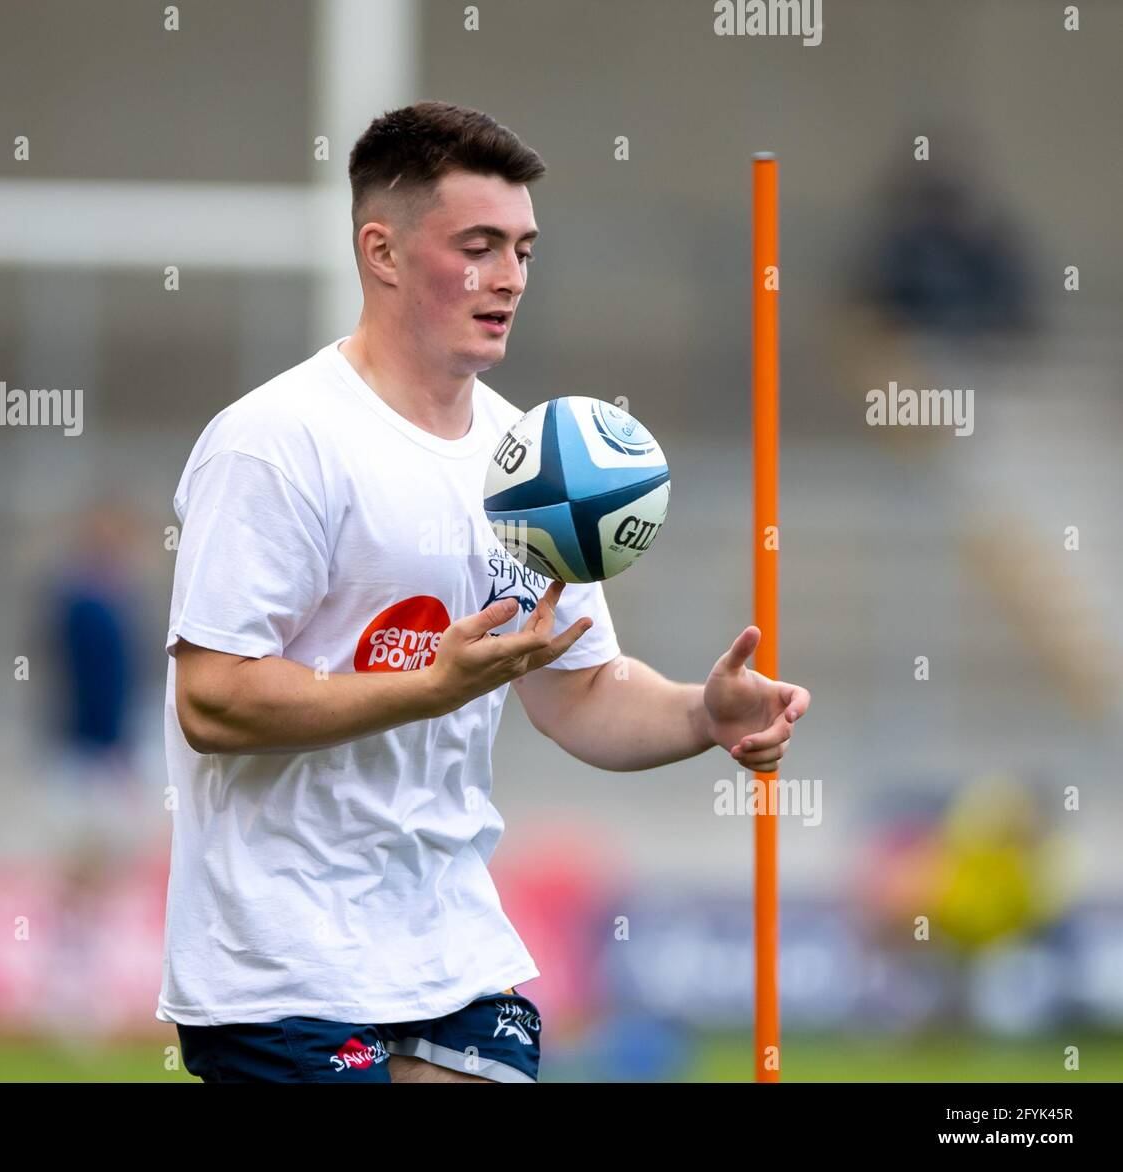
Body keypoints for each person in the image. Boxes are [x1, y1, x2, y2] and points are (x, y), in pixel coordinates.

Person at [156, 100, 811, 1084]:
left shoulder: (532, 459)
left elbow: (581, 693)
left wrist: (699, 713)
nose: (507, 276)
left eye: (523, 249)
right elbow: (211, 698)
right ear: (382, 252)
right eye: (477, 246)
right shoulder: (276, 441)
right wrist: (433, 684)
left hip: (451, 941)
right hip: (283, 955)